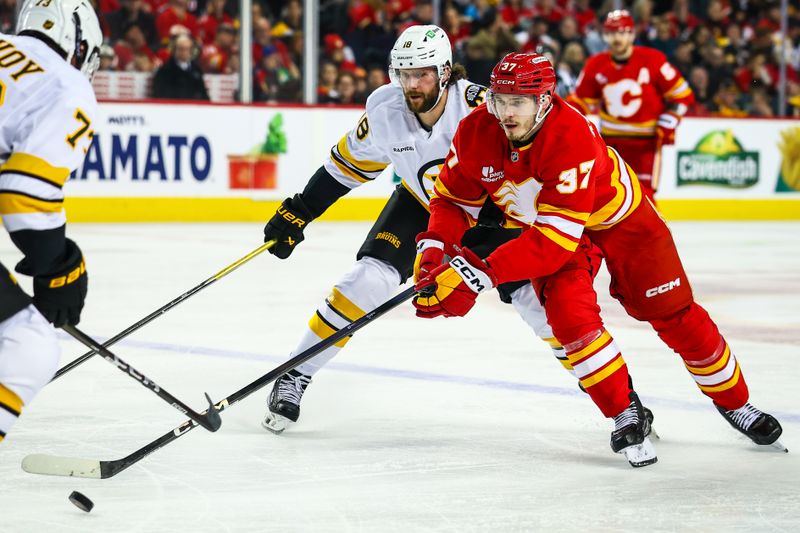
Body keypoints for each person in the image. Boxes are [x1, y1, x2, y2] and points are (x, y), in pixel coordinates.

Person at [413, 51, 785, 466]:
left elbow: (553, 244)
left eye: (517, 102)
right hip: (550, 228)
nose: (505, 113)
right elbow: (451, 200)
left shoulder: (570, 135)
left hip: (622, 222)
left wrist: (481, 273)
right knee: (570, 320)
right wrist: (432, 253)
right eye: (499, 100)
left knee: (672, 312)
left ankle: (734, 402)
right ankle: (624, 410)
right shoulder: (474, 130)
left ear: (545, 99)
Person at [259, 25, 584, 434]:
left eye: (422, 74)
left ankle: (614, 396)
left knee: (537, 307)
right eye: (404, 74)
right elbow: (346, 165)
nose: (412, 85)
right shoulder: (383, 108)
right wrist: (302, 210)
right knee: (366, 281)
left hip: (490, 213)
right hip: (422, 203)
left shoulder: (483, 107)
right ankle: (295, 373)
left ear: (446, 71)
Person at [0, 0, 99, 442]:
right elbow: (25, 194)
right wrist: (59, 265)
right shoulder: (65, 83)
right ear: (79, 45)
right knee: (27, 348)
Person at [568, 10, 694, 204]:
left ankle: (652, 235)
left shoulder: (654, 60)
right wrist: (562, 116)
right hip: (609, 143)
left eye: (622, 32)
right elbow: (582, 101)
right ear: (604, 35)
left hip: (645, 144)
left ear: (632, 34)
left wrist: (670, 119)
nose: (617, 38)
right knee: (605, 196)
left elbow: (682, 95)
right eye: (611, 33)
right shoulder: (595, 64)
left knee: (645, 197)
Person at [151, 34, 209, 100]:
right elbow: (159, 94)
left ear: (191, 51)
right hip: (172, 107)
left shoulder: (196, 71)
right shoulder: (164, 71)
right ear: (174, 49)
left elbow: (203, 94)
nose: (184, 52)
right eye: (181, 49)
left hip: (193, 108)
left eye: (187, 49)